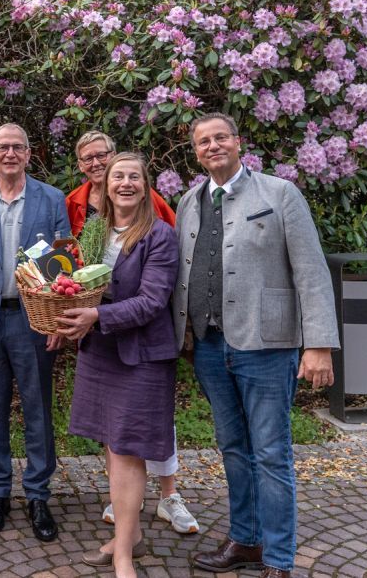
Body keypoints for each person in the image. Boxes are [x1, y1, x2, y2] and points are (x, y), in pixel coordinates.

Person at [172, 113, 339, 578]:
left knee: (271, 452)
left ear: (238, 142)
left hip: (266, 345)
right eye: (203, 141)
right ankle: (245, 540)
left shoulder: (280, 193)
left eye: (220, 137)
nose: (212, 146)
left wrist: (319, 344)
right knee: (232, 447)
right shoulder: (189, 200)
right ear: (196, 151)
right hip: (208, 346)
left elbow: (311, 271)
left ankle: (280, 559)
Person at [65, 132, 196, 535]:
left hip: (142, 347)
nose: (119, 180)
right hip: (102, 349)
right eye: (89, 159)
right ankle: (127, 511)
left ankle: (164, 499)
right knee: (113, 434)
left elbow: (154, 297)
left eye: (130, 175)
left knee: (143, 432)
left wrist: (96, 315)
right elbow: (82, 276)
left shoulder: (158, 228)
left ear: (144, 185)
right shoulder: (92, 225)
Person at [0, 123, 70, 542]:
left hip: (34, 322)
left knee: (38, 409)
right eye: (1, 147)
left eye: (16, 147)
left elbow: (63, 267)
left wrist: (57, 320)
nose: (9, 154)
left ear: (27, 153)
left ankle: (39, 495)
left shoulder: (51, 199)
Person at [65, 131, 175, 234]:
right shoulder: (72, 202)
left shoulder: (141, 192)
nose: (96, 163)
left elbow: (174, 229)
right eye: (88, 158)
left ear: (113, 156)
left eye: (101, 155)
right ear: (80, 166)